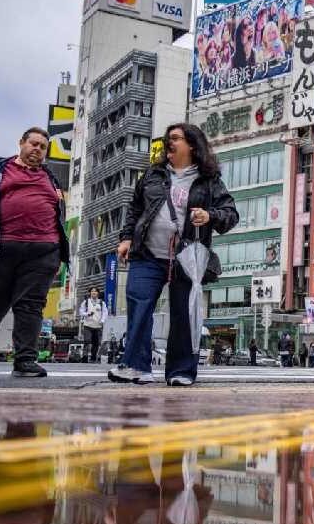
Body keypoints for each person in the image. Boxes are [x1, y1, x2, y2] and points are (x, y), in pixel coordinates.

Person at [109, 123, 238, 386]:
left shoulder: (208, 181)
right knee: (139, 305)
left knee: (182, 312)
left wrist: (209, 215)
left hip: (186, 257)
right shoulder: (153, 175)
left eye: (176, 138)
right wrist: (125, 238)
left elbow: (230, 215)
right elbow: (135, 209)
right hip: (146, 253)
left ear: (192, 144)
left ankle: (181, 371)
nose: (170, 142)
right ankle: (136, 366)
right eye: (169, 138)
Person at [0, 127, 70, 378]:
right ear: (21, 143)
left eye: (43, 146)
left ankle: (25, 360)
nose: (37, 149)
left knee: (30, 307)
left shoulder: (50, 178)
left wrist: (58, 253)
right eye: (33, 143)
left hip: (43, 252)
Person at [78, 286, 109, 364]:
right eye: (92, 291)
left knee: (96, 343)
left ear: (98, 293)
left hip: (98, 326)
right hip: (88, 325)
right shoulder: (86, 302)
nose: (94, 292)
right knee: (87, 341)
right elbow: (81, 311)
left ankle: (93, 357)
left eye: (95, 291)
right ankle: (84, 357)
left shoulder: (102, 303)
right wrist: (87, 314)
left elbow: (105, 313)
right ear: (90, 293)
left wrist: (102, 320)